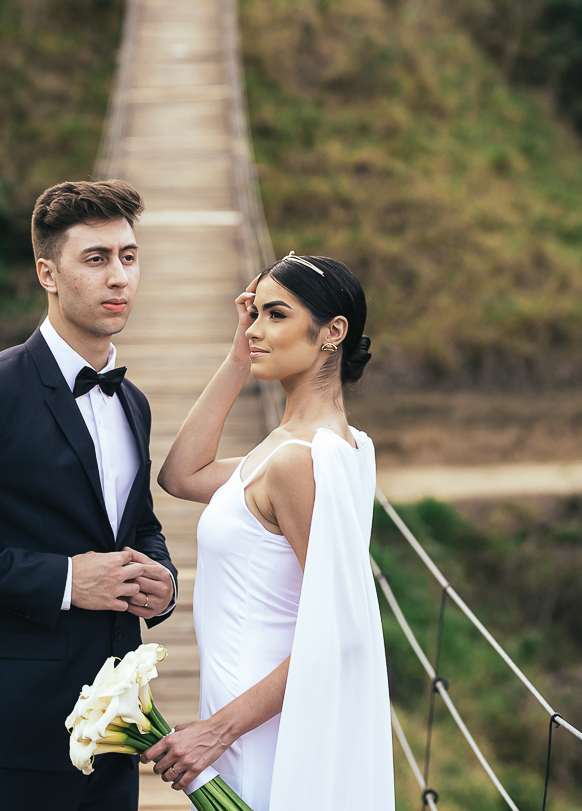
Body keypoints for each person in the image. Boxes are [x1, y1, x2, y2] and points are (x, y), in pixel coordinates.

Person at [0, 179, 177, 811]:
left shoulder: (132, 402)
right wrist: (68, 581)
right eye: (95, 259)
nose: (118, 277)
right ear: (48, 272)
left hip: (111, 729)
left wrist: (162, 577)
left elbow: (136, 522)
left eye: (128, 256)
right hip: (3, 730)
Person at [144, 252, 395, 811]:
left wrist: (218, 730)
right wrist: (240, 356)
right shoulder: (314, 446)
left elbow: (341, 631)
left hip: (258, 727)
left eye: (275, 315)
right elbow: (182, 476)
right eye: (253, 314)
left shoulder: (297, 462)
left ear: (332, 332)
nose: (256, 329)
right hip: (244, 713)